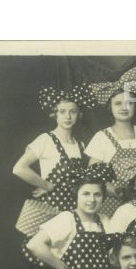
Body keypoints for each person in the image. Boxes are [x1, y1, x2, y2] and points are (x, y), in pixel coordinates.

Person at [13, 83, 97, 213]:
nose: (68, 117)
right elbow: (19, 169)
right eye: (62, 111)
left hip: (75, 207)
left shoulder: (80, 145)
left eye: (72, 112)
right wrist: (46, 185)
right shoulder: (46, 139)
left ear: (79, 114)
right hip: (52, 207)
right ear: (54, 114)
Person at [86, 67, 136, 216]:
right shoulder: (101, 137)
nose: (124, 108)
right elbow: (93, 176)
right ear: (110, 107)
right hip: (112, 203)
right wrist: (116, 191)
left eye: (129, 103)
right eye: (118, 103)